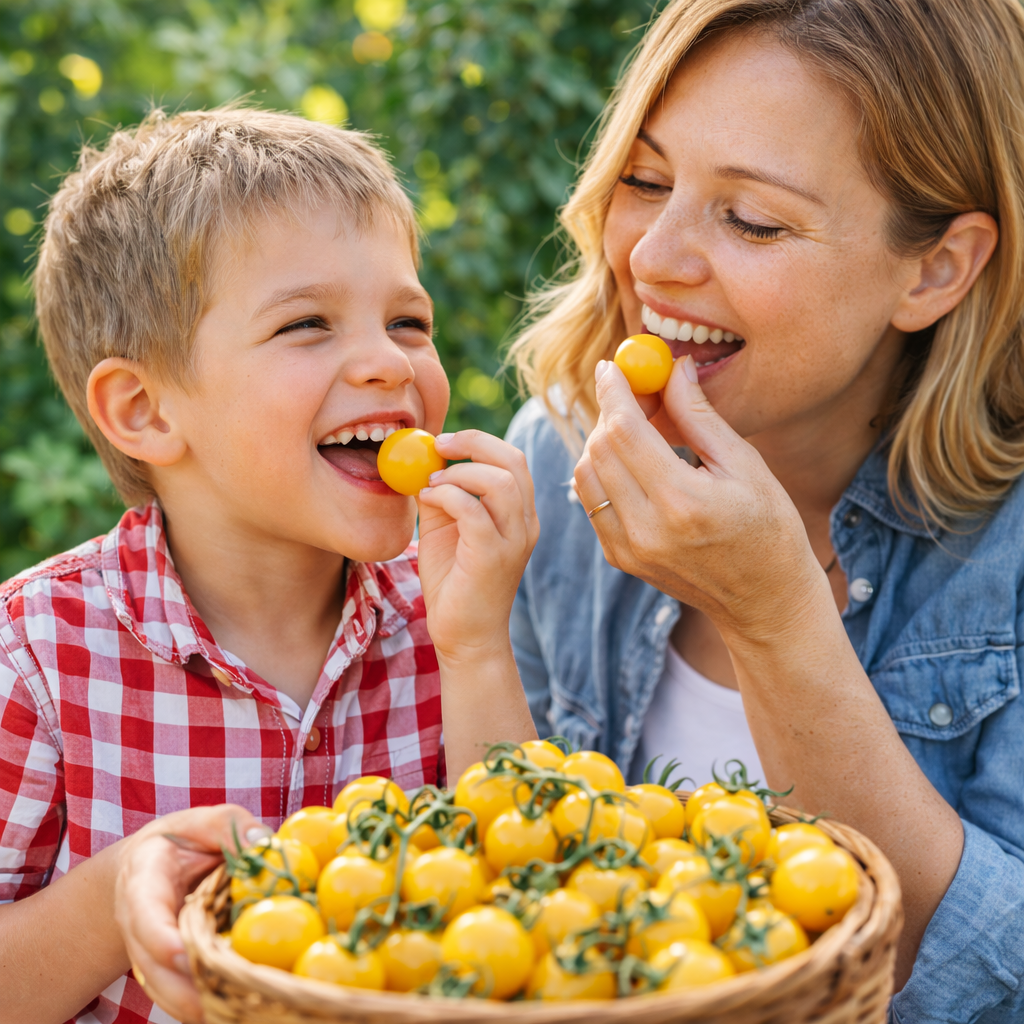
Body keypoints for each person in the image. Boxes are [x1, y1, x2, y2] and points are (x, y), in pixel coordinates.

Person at [506, 0, 1024, 1020]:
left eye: (750, 219)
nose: (652, 258)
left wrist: (776, 619)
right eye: (644, 180)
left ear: (935, 269)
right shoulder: (556, 458)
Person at [0, 106, 538, 1024]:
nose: (387, 363)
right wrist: (118, 894)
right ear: (144, 411)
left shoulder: (450, 616)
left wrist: (479, 648)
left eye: (408, 320)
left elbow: (534, 906)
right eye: (307, 325)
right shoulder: (38, 654)